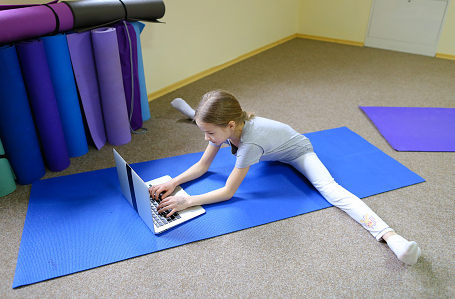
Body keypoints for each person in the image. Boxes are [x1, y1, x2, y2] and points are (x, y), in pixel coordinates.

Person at [150, 90, 421, 265]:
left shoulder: (250, 143)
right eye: (204, 131)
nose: (207, 139)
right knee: (208, 130)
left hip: (297, 151)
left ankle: (390, 236)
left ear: (231, 125)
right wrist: (174, 182)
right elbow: (202, 165)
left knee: (332, 190)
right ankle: (193, 115)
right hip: (267, 149)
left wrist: (187, 201)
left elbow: (228, 192)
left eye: (209, 133)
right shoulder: (226, 128)